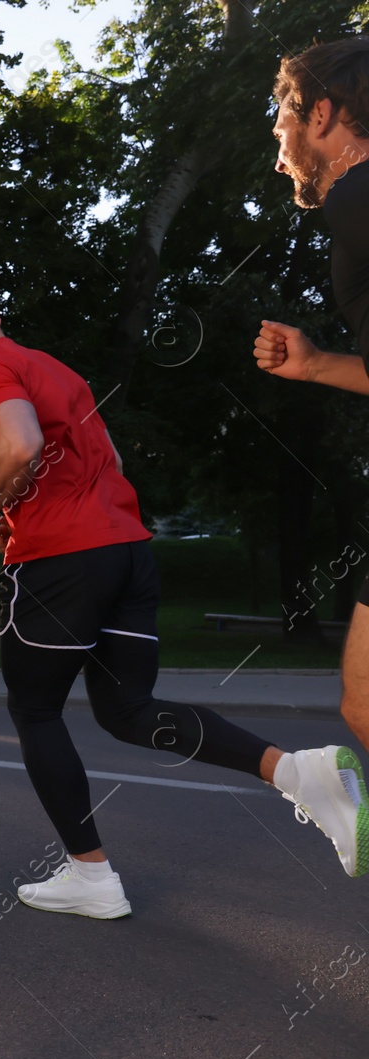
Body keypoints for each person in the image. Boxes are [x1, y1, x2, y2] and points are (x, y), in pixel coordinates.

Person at [0, 275, 367, 915]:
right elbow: (104, 455)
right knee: (128, 709)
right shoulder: (55, 369)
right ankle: (298, 773)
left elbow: (20, 443)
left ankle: (92, 876)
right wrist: (19, 509)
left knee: (35, 711)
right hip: (125, 551)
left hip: (61, 560)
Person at [253, 36, 369, 758]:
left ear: (321, 112)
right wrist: (321, 364)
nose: (279, 151)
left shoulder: (356, 195)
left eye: (282, 125)